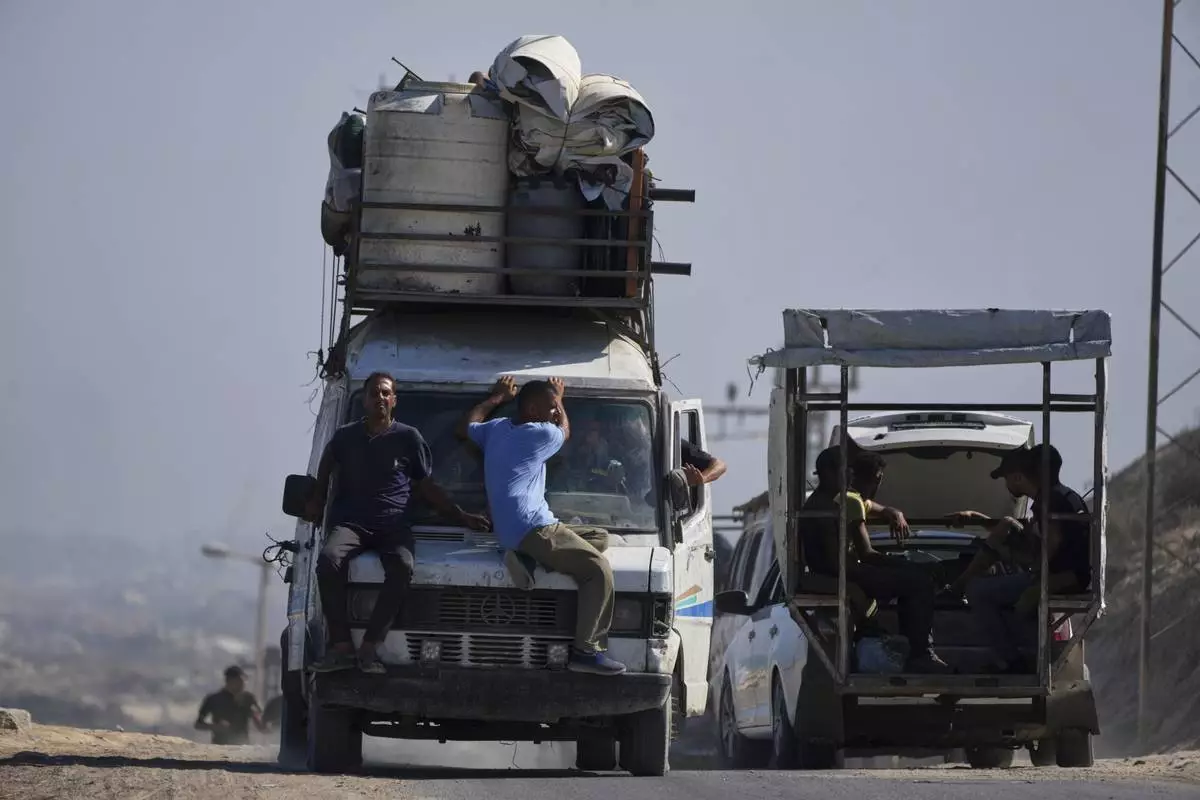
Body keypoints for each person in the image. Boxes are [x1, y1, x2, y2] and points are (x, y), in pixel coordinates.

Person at [306, 371, 490, 674]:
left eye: (386, 393)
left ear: (394, 400)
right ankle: (341, 647)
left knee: (403, 566)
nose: (380, 398)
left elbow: (426, 486)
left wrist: (460, 516)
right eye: (374, 393)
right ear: (365, 400)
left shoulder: (408, 437)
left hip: (393, 526)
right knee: (328, 560)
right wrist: (317, 497)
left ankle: (369, 647)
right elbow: (327, 461)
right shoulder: (346, 436)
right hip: (351, 525)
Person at [457, 375, 625, 676]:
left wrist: (496, 398)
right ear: (533, 410)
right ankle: (586, 651)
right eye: (550, 407)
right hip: (534, 527)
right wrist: (560, 397)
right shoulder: (540, 433)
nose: (554, 412)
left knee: (599, 537)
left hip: (513, 529)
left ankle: (528, 556)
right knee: (598, 570)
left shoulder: (496, 429)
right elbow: (566, 431)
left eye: (555, 407)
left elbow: (467, 425)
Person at [799, 446, 949, 673]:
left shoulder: (832, 502)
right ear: (828, 473)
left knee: (914, 579)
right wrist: (893, 570)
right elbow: (835, 563)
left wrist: (889, 512)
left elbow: (865, 504)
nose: (850, 475)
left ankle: (915, 650)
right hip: (840, 574)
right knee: (918, 583)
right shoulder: (822, 510)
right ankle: (921, 654)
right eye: (845, 470)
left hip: (846, 571)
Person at [946, 443, 1091, 673]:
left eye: (1006, 478)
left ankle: (1010, 661)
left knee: (977, 591)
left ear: (1018, 477)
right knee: (1005, 525)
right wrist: (978, 519)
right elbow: (1037, 535)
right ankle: (957, 587)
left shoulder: (1049, 500)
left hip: (1060, 577)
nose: (1006, 485)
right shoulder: (1064, 495)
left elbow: (1053, 539)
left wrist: (1036, 574)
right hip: (1068, 573)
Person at [194, 666, 265, 745]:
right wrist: (215, 726)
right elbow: (198, 724)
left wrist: (258, 719)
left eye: (244, 681)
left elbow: (260, 723)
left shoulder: (248, 698)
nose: (243, 684)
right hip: (220, 747)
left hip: (243, 746)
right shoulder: (213, 699)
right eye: (239, 681)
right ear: (229, 681)